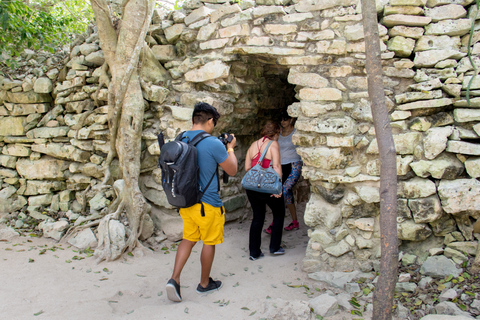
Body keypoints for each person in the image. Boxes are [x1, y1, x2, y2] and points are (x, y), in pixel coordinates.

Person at [166, 102, 238, 302]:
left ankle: (174, 279)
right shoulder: (213, 143)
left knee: (188, 239)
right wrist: (230, 148)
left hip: (186, 202)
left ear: (193, 120)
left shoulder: (181, 138)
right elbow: (232, 170)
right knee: (209, 242)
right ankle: (205, 284)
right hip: (207, 204)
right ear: (210, 121)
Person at [244, 121, 285, 261]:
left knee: (258, 217)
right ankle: (275, 247)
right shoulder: (273, 144)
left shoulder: (252, 145)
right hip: (268, 186)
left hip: (253, 188)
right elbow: (277, 166)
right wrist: (278, 187)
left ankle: (254, 252)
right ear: (276, 133)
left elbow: (247, 168)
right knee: (279, 214)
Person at [265, 111, 303, 233]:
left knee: (283, 191)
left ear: (291, 118)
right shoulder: (279, 133)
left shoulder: (297, 132)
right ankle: (295, 221)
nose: (283, 121)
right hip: (281, 165)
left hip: (294, 165)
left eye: (285, 119)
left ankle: (274, 224)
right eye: (281, 119)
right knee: (287, 193)